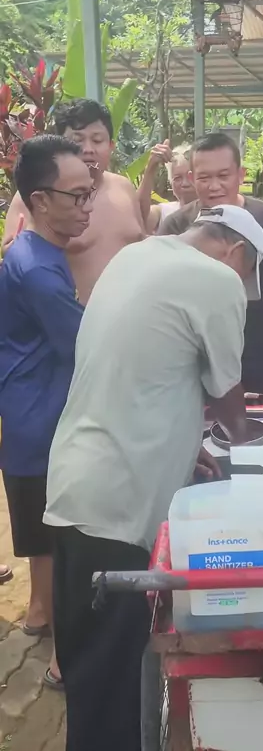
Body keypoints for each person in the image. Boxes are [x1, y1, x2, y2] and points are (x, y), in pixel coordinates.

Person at [44, 204, 263, 751]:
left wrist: (185, 447)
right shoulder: (217, 278)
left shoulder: (133, 256)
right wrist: (249, 443)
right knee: (117, 681)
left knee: (87, 669)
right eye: (245, 274)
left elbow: (143, 371)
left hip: (73, 483)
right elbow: (227, 393)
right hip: (119, 506)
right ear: (236, 252)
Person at [0, 135, 94, 688]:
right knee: (65, 543)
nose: (87, 206)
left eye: (90, 192)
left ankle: (38, 615)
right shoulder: (37, 269)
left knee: (43, 534)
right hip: (44, 424)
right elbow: (85, 347)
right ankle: (66, 662)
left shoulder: (31, 253)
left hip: (27, 416)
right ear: (39, 200)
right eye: (77, 196)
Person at [159, 131, 263, 401]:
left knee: (261, 418)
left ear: (241, 175)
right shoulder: (178, 225)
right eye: (204, 178)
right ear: (192, 178)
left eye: (223, 175)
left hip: (257, 349)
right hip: (196, 354)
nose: (214, 186)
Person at [2, 99, 145, 304]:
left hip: (133, 313)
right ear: (60, 147)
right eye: (77, 141)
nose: (88, 149)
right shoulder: (38, 197)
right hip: (72, 317)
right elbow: (15, 259)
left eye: (97, 140)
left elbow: (143, 240)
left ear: (111, 145)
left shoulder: (124, 187)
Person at [138, 141, 197, 234]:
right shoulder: (163, 211)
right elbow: (139, 218)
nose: (185, 183)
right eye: (177, 178)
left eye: (190, 176)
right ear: (171, 183)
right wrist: (151, 167)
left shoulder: (214, 211)